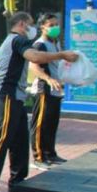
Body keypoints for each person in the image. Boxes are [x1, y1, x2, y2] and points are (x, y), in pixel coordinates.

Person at [0, 12, 78, 192]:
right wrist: (61, 55)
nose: (32, 29)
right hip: (5, 97)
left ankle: (17, 183)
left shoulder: (11, 41)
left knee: (20, 142)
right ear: (22, 24)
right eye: (31, 25)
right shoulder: (17, 40)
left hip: (15, 98)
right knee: (2, 142)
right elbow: (34, 57)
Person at [28, 14, 67, 169]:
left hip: (56, 90)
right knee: (40, 124)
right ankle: (38, 157)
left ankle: (50, 154)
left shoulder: (55, 44)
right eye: (51, 25)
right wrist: (48, 79)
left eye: (56, 24)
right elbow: (33, 66)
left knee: (52, 123)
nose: (55, 27)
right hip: (44, 89)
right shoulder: (39, 45)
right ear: (42, 27)